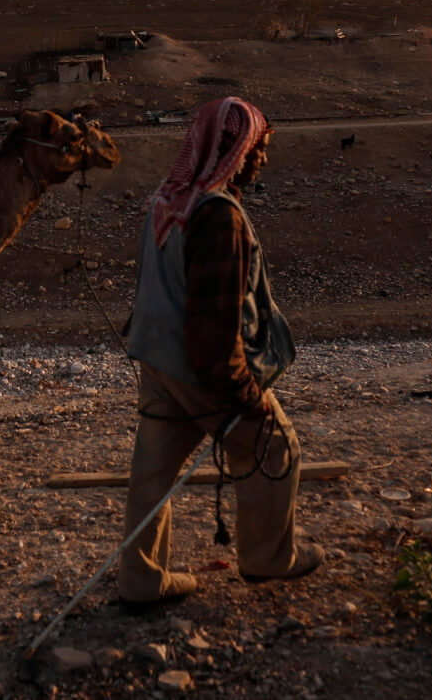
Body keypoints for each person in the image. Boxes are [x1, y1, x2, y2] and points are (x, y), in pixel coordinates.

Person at [118, 97, 322, 611]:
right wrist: (245, 394)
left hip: (156, 362)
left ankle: (143, 581)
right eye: (259, 149)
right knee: (275, 448)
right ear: (234, 150)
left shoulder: (165, 202)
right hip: (199, 368)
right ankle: (268, 559)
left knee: (153, 474)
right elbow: (212, 327)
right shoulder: (218, 219)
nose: (263, 160)